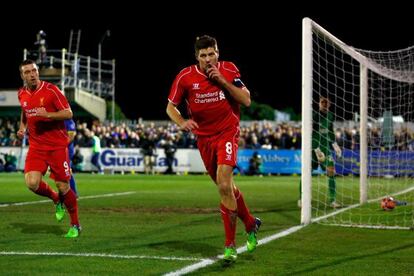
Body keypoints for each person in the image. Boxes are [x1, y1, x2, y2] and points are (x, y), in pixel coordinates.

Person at [166, 35, 261, 263]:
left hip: (227, 132)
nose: (208, 59)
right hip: (204, 139)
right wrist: (182, 122)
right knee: (225, 187)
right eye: (203, 55)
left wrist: (222, 82)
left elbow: (246, 101)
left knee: (224, 181)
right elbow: (171, 107)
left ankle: (229, 245)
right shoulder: (186, 77)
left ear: (218, 52)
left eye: (212, 54)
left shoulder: (228, 69)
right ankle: (249, 223)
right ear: (196, 57)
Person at [17, 59, 81, 238]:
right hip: (36, 146)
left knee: (63, 186)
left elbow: (69, 113)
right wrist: (23, 128)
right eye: (28, 72)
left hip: (56, 147)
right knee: (31, 183)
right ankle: (55, 199)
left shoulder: (52, 91)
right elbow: (24, 111)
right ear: (22, 76)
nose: (32, 74)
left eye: (34, 71)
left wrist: (49, 115)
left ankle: (75, 224)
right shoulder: (21, 93)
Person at [299, 96, 342, 208]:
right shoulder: (314, 116)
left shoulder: (331, 116)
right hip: (313, 149)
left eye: (326, 102)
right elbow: (310, 133)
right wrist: (316, 149)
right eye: (322, 102)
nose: (324, 104)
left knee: (331, 171)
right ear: (319, 104)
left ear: (329, 104)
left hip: (326, 149)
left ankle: (332, 200)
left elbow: (330, 131)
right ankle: (301, 198)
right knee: (306, 173)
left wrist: (335, 144)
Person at [64, 119, 79, 197]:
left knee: (67, 172)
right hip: (59, 150)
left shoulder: (69, 122)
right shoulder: (57, 120)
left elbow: (71, 137)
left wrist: (61, 145)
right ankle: (68, 192)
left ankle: (73, 193)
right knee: (63, 173)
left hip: (67, 151)